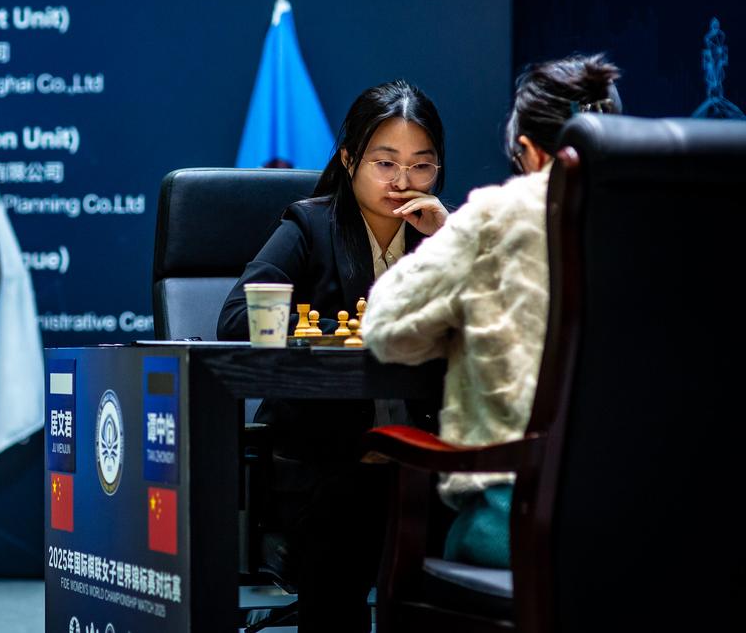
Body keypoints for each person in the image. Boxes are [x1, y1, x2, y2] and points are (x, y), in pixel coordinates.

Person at [363, 54, 622, 568]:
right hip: (669, 532)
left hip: (520, 530)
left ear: (528, 151)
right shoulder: (676, 221)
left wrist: (462, 314)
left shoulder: (497, 215)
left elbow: (386, 327)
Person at [218, 79, 449, 632]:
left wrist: (452, 240)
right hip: (327, 461)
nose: (403, 181)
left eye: (421, 165)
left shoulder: (444, 233)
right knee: (351, 517)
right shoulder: (310, 225)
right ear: (349, 160)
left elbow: (495, 328)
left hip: (425, 460)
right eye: (385, 163)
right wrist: (350, 331)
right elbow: (237, 319)